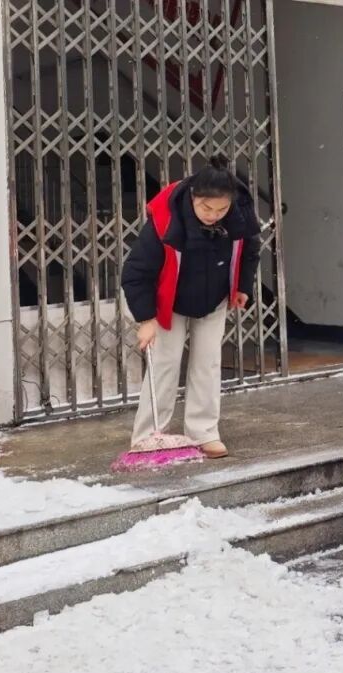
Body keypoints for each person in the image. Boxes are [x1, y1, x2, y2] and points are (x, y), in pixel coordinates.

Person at [121, 155, 261, 458]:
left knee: (207, 364)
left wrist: (243, 288)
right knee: (164, 364)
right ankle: (147, 435)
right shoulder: (166, 219)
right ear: (193, 198)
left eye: (221, 209)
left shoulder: (237, 216)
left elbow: (250, 249)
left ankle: (204, 432)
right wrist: (146, 319)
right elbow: (135, 273)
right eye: (206, 208)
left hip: (213, 298)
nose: (213, 215)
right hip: (169, 301)